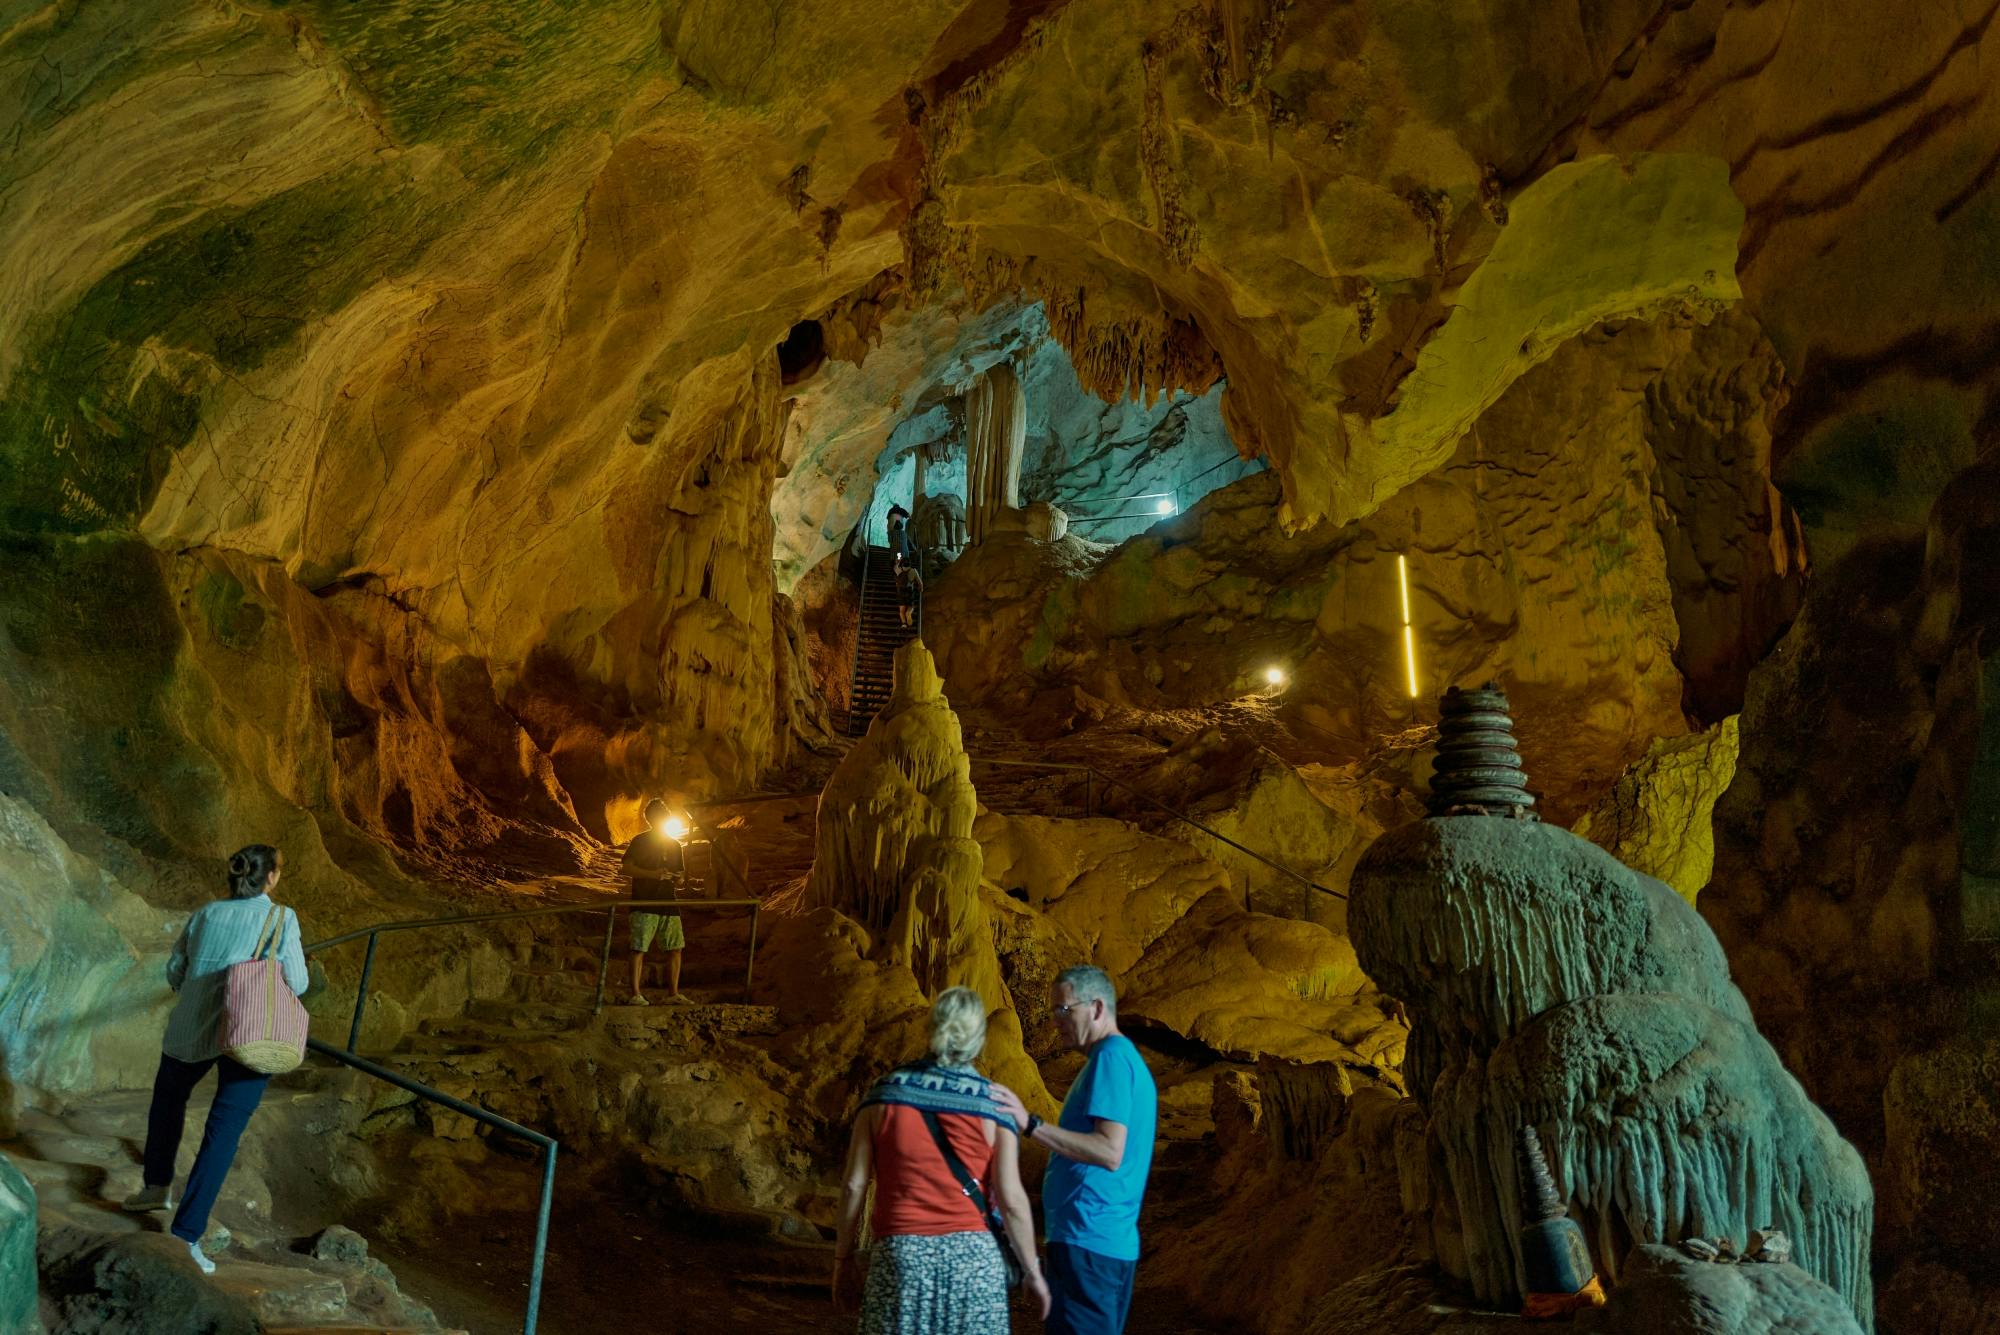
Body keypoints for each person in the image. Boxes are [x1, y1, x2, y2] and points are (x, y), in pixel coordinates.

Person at [125, 844, 307, 1275]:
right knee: (222, 1132)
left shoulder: (206, 913)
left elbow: (175, 970)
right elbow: (296, 982)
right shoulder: (281, 918)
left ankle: (155, 1187)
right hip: (250, 1032)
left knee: (168, 1100)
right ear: (272, 878)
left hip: (191, 1026)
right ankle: (186, 1235)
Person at [834, 987, 1050, 1333]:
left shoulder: (883, 1095)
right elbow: (1011, 1199)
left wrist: (842, 1259)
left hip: (902, 1255)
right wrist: (1033, 1272)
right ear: (980, 1041)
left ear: (931, 1030)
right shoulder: (995, 1106)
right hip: (975, 1262)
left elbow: (853, 1185)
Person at [990, 966, 1156, 1335]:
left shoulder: (1111, 1059)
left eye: (1064, 1010)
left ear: (1097, 1008)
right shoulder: (1118, 1060)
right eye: (1054, 1012)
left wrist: (1030, 1124)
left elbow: (1109, 1150)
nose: (1056, 1021)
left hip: (1089, 1242)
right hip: (1096, 1241)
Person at [621, 798, 691, 1005]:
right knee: (639, 947)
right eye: (657, 815)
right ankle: (635, 994)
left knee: (675, 947)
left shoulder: (674, 845)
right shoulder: (640, 841)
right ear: (650, 818)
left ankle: (673, 994)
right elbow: (626, 868)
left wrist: (678, 878)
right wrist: (653, 875)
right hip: (644, 901)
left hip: (668, 901)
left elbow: (681, 875)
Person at [895, 562, 923, 630]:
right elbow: (920, 582)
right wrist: (921, 588)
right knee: (911, 606)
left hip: (901, 593)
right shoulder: (913, 571)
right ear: (910, 565)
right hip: (909, 592)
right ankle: (908, 613)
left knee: (901, 611)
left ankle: (904, 624)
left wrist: (898, 562)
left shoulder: (898, 570)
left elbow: (895, 566)